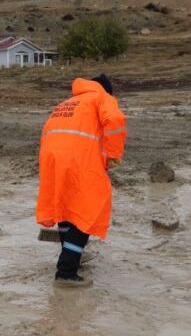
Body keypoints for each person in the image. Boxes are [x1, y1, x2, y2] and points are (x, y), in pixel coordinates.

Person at [36, 74, 127, 287]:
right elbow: (115, 121)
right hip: (79, 159)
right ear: (106, 89)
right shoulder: (101, 97)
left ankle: (72, 252)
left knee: (66, 207)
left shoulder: (68, 103)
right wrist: (113, 155)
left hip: (52, 160)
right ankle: (66, 271)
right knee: (89, 211)